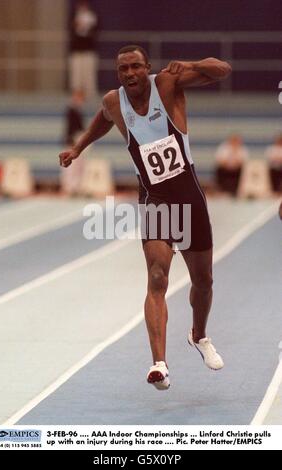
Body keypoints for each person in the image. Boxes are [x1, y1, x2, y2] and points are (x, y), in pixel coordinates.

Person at [59, 45, 232, 390]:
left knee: (204, 282)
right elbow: (102, 120)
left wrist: (193, 61)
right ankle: (160, 365)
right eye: (123, 69)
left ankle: (199, 335)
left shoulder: (167, 84)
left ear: (148, 67)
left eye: (136, 66)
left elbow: (222, 69)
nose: (130, 74)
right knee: (157, 277)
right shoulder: (114, 101)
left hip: (189, 198)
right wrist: (78, 148)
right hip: (156, 199)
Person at [69, 0, 99, 99]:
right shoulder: (74, 16)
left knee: (89, 73)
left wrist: (87, 27)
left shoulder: (92, 16)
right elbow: (72, 29)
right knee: (76, 74)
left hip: (89, 50)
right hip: (76, 51)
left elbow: (96, 30)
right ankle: (77, 94)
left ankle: (89, 94)